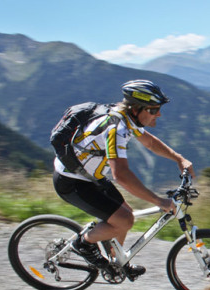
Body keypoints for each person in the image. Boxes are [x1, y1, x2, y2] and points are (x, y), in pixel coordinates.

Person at [52, 79, 195, 279]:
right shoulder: (116, 128)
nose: (159, 114)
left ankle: (116, 262)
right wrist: (159, 201)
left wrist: (178, 158)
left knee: (126, 214)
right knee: (124, 220)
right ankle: (83, 244)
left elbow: (150, 143)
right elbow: (121, 175)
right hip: (72, 181)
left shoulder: (127, 119)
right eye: (154, 110)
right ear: (137, 108)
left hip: (91, 177)